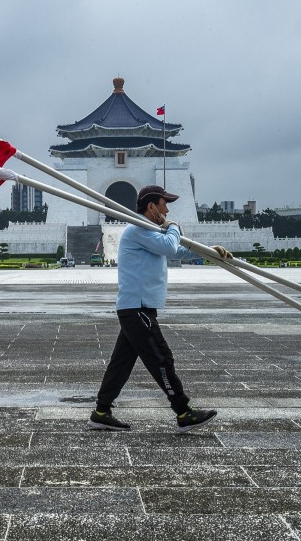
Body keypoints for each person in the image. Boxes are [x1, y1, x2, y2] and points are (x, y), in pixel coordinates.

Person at [88, 185, 233, 433]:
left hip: (136, 309)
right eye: (164, 205)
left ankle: (101, 413)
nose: (167, 211)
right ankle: (184, 412)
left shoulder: (148, 232)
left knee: (120, 364)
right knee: (161, 359)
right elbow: (169, 246)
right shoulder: (138, 229)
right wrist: (173, 226)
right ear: (151, 206)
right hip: (138, 309)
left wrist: (210, 252)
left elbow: (177, 251)